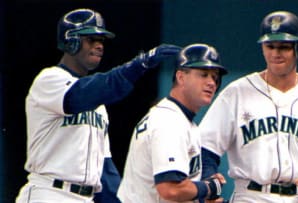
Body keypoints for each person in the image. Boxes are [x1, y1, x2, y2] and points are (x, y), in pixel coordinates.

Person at [15, 8, 181, 203]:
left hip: (86, 197)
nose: (99, 45)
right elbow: (83, 94)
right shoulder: (49, 80)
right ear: (71, 40)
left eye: (101, 40)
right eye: (91, 39)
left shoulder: (98, 106)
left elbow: (104, 170)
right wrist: (139, 65)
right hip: (49, 192)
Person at [199, 10, 298, 203]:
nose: (276, 53)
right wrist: (208, 184)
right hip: (250, 195)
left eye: (284, 47)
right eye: (270, 46)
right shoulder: (236, 92)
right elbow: (204, 148)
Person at [117, 43, 228, 203]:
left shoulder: (178, 118)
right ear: (181, 77)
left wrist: (202, 197)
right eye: (204, 74)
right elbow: (171, 189)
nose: (212, 82)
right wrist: (209, 187)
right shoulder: (169, 121)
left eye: (215, 77)